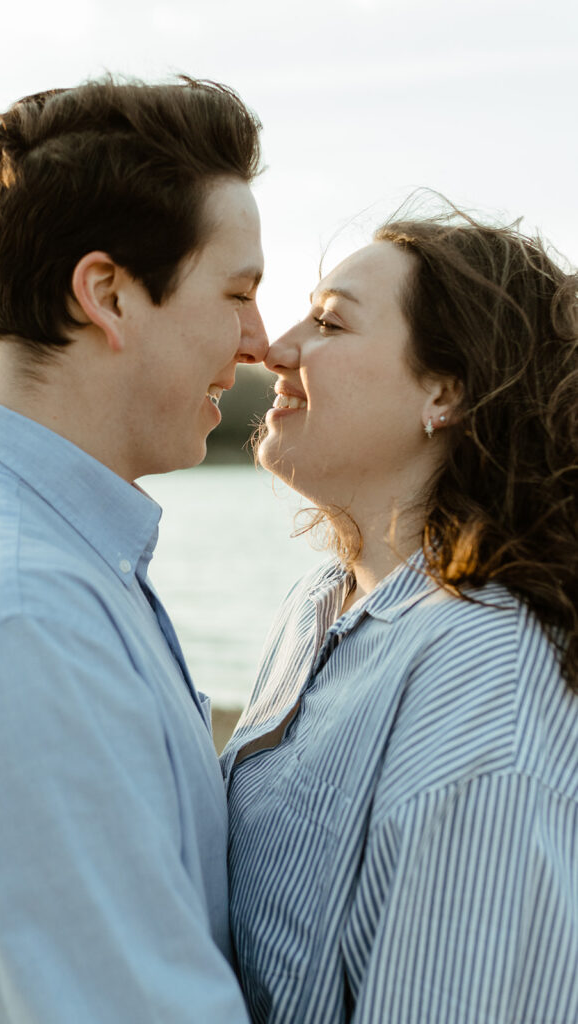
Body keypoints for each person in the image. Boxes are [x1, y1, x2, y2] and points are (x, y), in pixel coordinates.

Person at [0, 77, 267, 1022]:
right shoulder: (18, 617)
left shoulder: (46, 563)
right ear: (107, 295)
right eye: (236, 293)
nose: (260, 343)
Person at [222, 202, 578, 1023]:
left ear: (445, 391)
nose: (275, 350)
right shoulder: (317, 608)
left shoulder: (488, 680)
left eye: (329, 325)